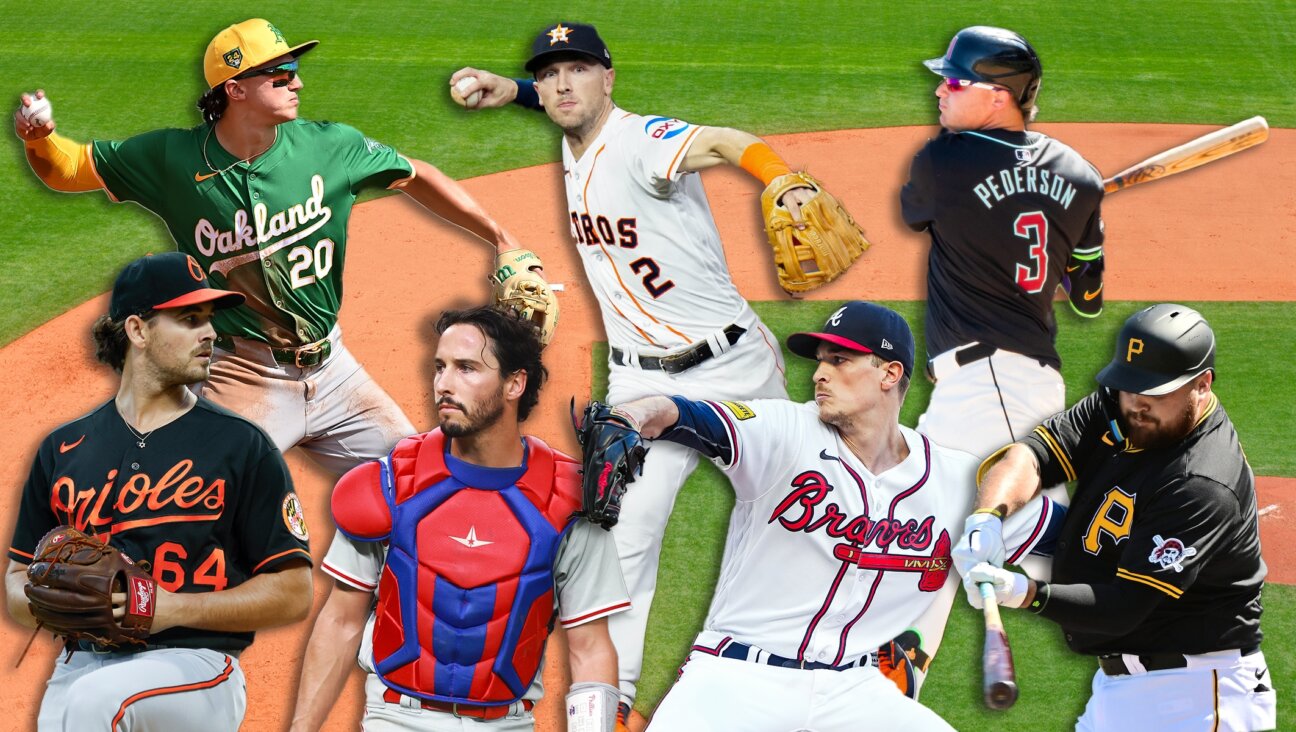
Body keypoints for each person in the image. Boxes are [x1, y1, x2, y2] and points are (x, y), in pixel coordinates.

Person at [447, 22, 823, 716]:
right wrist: (513, 93)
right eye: (550, 72)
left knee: (803, 510)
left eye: (579, 69)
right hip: (639, 381)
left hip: (734, 364)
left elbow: (722, 142)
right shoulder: (572, 130)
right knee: (617, 541)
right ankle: (612, 704)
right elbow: (563, 106)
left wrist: (783, 178)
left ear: (609, 77)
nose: (563, 83)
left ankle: (843, 656)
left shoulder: (644, 140)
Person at [14, 18, 530, 475]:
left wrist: (501, 238)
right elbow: (68, 169)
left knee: (421, 486)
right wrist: (39, 139)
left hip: (335, 373)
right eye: (280, 75)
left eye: (295, 71)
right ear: (235, 90)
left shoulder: (330, 146)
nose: (297, 82)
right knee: (198, 511)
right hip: (244, 377)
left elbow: (417, 175)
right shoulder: (170, 158)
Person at [602, 302, 1057, 730]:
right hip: (735, 678)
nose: (819, 374)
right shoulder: (783, 431)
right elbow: (682, 414)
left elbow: (1080, 539)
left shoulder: (955, 481)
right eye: (820, 360)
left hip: (851, 690)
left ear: (889, 374)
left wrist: (1019, 580)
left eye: (840, 361)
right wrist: (630, 416)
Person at [4, 252, 314, 731]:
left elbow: (293, 591)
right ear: (138, 330)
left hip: (197, 663)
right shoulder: (64, 448)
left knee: (96, 704)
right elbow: (18, 578)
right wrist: (50, 601)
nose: (210, 333)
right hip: (83, 664)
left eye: (209, 320)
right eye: (190, 320)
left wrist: (170, 609)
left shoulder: (241, 445)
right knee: (75, 704)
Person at [289, 305, 629, 731]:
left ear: (514, 383)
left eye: (466, 368)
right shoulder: (394, 482)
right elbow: (341, 620)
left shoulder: (566, 499)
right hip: (396, 719)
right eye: (440, 367)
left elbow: (590, 648)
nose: (444, 385)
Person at [956, 304, 1275, 731]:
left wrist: (1025, 592)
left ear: (1202, 384)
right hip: (1120, 689)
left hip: (1197, 696)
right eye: (1129, 387)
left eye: (1156, 392)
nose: (1137, 405)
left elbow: (1125, 606)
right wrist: (987, 518)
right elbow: (1037, 454)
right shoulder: (1123, 401)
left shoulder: (1201, 481)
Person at [901, 26, 1107, 460]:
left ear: (998, 96)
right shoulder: (1082, 177)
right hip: (1011, 385)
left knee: (1004, 520)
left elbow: (915, 215)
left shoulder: (941, 161)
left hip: (990, 389)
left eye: (955, 82)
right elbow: (1088, 298)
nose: (940, 90)